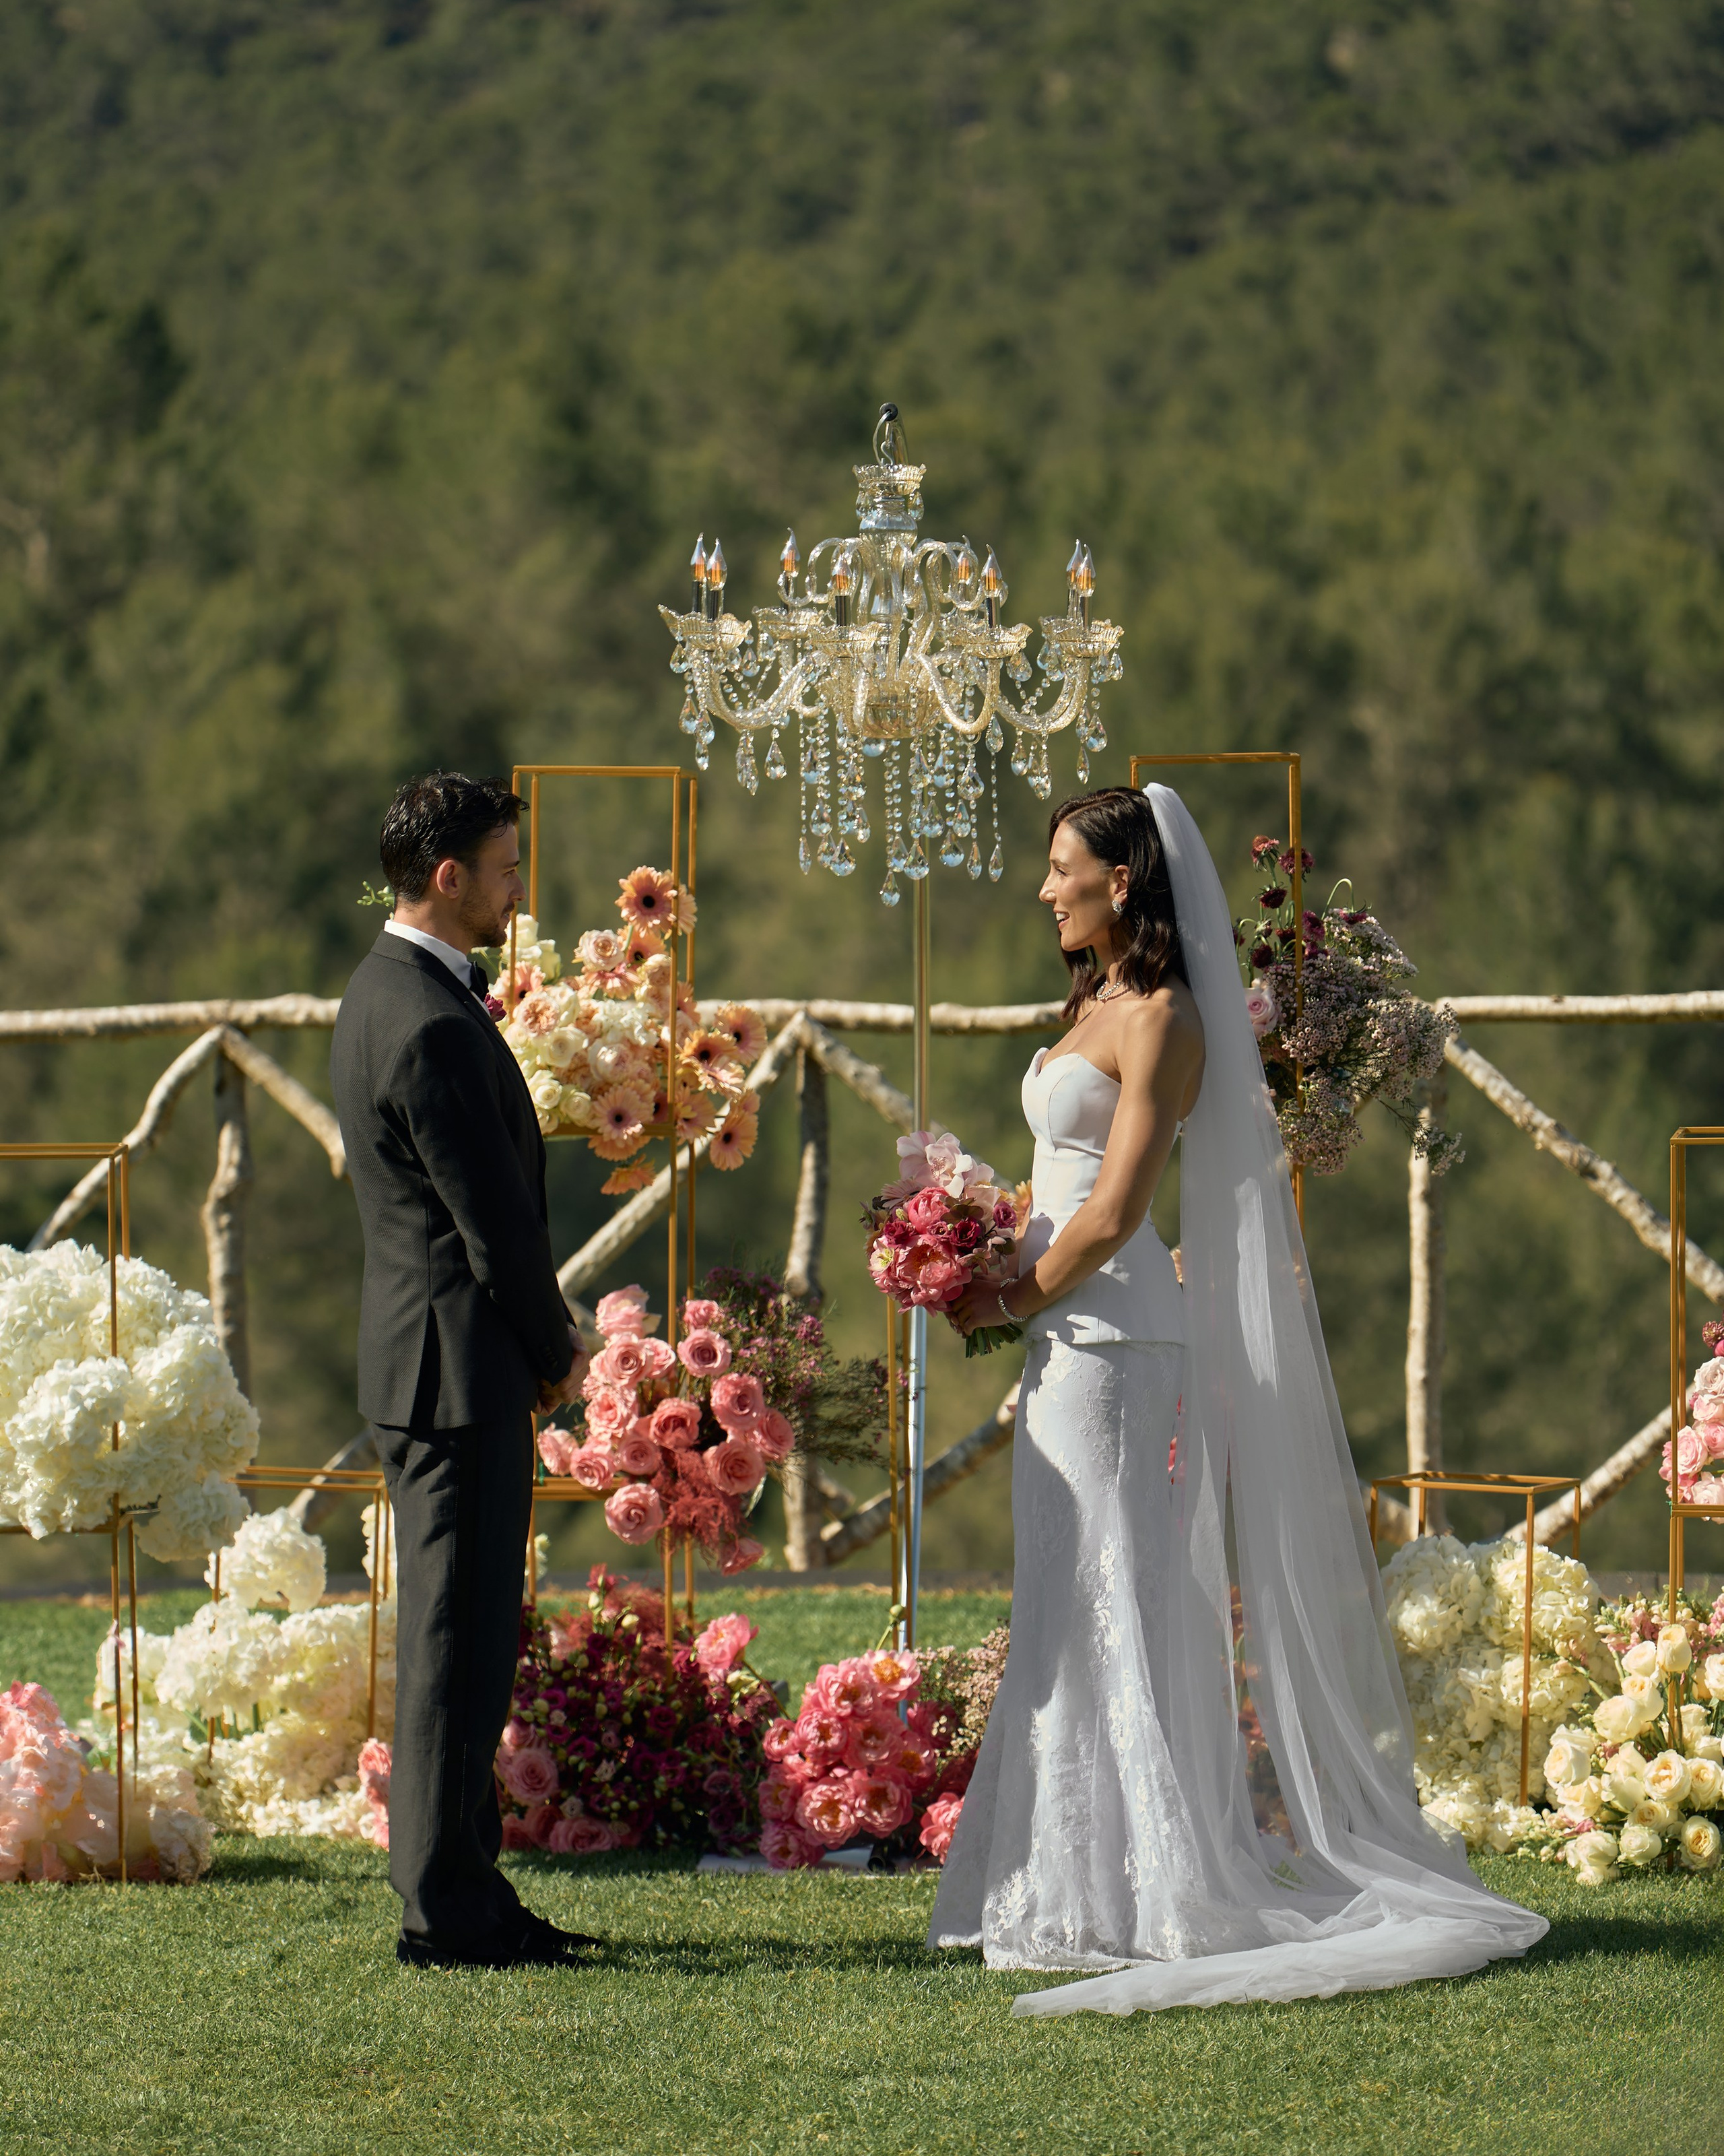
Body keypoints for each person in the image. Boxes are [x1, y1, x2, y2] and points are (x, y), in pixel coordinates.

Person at [931, 783, 1546, 2013]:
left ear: (1126, 881)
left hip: (1113, 1342)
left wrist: (1008, 1303)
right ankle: (1073, 1880)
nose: (1046, 887)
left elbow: (1113, 1211)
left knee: (1119, 1591)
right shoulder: (1094, 999)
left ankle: (1147, 1886)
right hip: (1068, 1335)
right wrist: (970, 1244)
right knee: (1067, 1593)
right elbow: (1062, 1186)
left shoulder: (1161, 1017)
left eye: (1066, 868)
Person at [331, 771, 597, 1971]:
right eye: (502, 868)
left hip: (438, 1363)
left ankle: (471, 1888)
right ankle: (443, 1909)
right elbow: (489, 1221)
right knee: (454, 1647)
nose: (515, 888)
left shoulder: (388, 988)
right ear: (449, 877)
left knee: (470, 1638)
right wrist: (557, 1352)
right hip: (457, 1369)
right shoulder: (430, 1018)